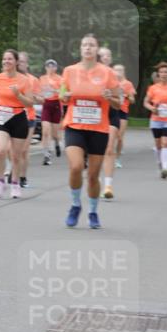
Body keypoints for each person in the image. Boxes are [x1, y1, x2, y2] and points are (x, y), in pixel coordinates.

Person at [60, 34, 121, 229]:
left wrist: (109, 97)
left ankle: (93, 211)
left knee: (93, 176)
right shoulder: (69, 71)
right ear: (80, 49)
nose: (88, 48)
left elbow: (118, 103)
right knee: (76, 166)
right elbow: (61, 95)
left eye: (92, 45)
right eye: (84, 45)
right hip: (74, 125)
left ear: (97, 50)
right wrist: (65, 96)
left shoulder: (107, 73)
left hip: (98, 128)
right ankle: (75, 205)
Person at [0, 49, 33, 199]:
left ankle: (15, 183)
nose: (6, 62)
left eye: (10, 59)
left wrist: (18, 95)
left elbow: (30, 103)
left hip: (18, 117)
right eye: (4, 59)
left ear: (16, 62)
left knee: (16, 156)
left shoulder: (24, 80)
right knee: (0, 150)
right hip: (0, 116)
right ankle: (0, 182)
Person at [98, 46, 121, 199]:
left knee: (109, 148)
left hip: (111, 113)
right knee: (96, 151)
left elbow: (118, 100)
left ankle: (108, 185)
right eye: (103, 55)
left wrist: (110, 97)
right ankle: (96, 178)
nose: (106, 57)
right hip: (95, 114)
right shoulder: (89, 74)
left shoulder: (113, 75)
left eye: (109, 55)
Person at [16, 51, 40, 187]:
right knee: (12, 149)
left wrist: (35, 98)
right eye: (18, 61)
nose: (20, 64)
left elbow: (42, 99)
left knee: (24, 150)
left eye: (23, 62)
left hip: (28, 117)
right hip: (12, 116)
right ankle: (13, 171)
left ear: (27, 64)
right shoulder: (11, 78)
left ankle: (22, 177)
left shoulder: (33, 80)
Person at [39, 59, 63, 165]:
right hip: (46, 105)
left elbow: (63, 92)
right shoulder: (42, 79)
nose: (50, 68)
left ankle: (57, 143)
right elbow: (39, 91)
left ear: (56, 68)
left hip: (56, 105)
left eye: (52, 66)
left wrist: (54, 91)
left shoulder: (60, 79)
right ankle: (46, 155)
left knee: (55, 134)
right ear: (45, 68)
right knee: (45, 131)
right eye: (48, 66)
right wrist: (41, 94)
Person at [113, 63, 136, 168]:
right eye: (116, 70)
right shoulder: (110, 82)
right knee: (109, 136)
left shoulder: (128, 84)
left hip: (122, 111)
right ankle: (108, 155)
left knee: (119, 137)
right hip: (111, 110)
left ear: (124, 72)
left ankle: (117, 159)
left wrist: (126, 96)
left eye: (120, 70)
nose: (118, 72)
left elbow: (132, 100)